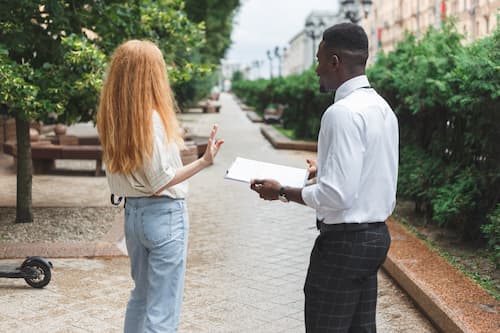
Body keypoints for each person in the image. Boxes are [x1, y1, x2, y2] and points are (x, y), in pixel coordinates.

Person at [250, 23, 398, 333]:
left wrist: (281, 192)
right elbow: (373, 170)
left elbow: (337, 195)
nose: (316, 69)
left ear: (335, 62)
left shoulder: (341, 113)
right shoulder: (382, 108)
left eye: (319, 60)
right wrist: (327, 170)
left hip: (343, 245)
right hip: (375, 239)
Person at [96, 40, 224, 333]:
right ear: (150, 74)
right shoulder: (150, 119)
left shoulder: (112, 118)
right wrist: (204, 161)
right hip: (164, 216)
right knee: (163, 309)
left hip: (133, 216)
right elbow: (161, 181)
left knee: (140, 298)